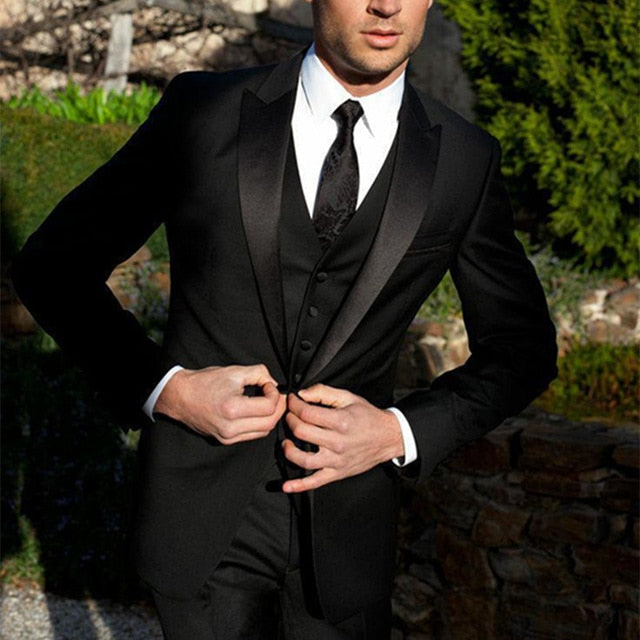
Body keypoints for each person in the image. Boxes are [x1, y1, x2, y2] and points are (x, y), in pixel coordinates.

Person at [12, 0, 557, 637]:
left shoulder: (464, 158)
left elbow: (522, 348)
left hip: (347, 542)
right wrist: (168, 389)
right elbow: (53, 268)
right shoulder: (203, 111)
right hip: (202, 525)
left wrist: (398, 431)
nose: (386, 5)